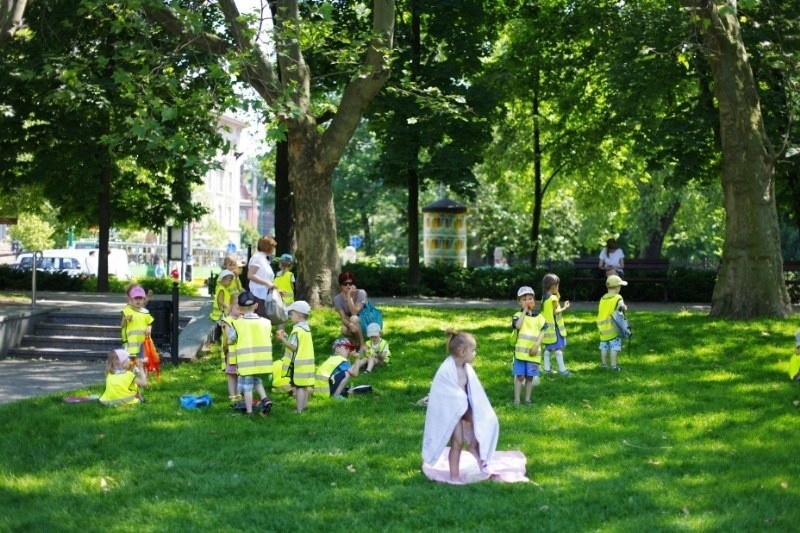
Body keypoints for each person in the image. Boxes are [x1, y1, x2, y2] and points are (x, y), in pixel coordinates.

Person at [422, 328, 499, 484]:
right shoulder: (446, 370)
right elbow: (445, 395)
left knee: (486, 421)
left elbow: (474, 393)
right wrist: (461, 404)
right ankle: (454, 476)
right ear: (462, 351)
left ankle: (474, 448)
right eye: (473, 350)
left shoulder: (466, 369)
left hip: (463, 406)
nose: (475, 354)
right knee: (457, 442)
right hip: (451, 410)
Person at [221, 291, 274, 416]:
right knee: (257, 380)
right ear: (256, 306)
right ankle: (265, 399)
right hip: (262, 360)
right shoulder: (266, 322)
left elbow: (231, 339)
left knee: (248, 386)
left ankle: (249, 412)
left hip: (246, 361)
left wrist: (228, 342)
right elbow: (269, 336)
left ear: (239, 307)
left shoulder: (238, 324)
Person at [275, 300, 315, 413]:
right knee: (304, 386)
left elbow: (293, 346)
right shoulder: (306, 329)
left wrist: (282, 339)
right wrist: (287, 337)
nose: (290, 317)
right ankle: (305, 406)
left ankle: (299, 409)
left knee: (299, 387)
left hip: (298, 364)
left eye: (291, 314)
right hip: (306, 364)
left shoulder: (297, 330)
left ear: (298, 314)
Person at [512, 286, 547, 405]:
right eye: (524, 299)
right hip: (521, 353)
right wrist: (524, 312)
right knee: (520, 376)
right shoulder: (517, 315)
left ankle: (527, 399)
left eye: (530, 298)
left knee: (530, 377)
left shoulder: (540, 317)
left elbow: (543, 331)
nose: (527, 301)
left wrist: (536, 345)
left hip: (533, 353)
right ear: (519, 302)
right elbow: (518, 326)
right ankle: (517, 399)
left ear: (534, 300)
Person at [540, 273, 571, 377]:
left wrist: (557, 296)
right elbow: (555, 312)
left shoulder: (544, 298)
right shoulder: (552, 298)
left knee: (548, 348)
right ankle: (562, 370)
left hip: (547, 328)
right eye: (557, 285)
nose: (558, 287)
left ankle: (547, 369)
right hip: (555, 328)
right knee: (558, 349)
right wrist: (565, 307)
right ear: (553, 286)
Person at [596, 275, 628, 371]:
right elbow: (622, 306)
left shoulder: (603, 297)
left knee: (604, 346)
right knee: (614, 347)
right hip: (613, 327)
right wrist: (624, 307)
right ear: (617, 287)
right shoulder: (618, 297)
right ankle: (614, 366)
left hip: (602, 327)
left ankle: (604, 365)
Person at [333, 271, 367, 350]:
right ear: (341, 285)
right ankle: (356, 343)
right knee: (344, 329)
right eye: (345, 283)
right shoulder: (337, 299)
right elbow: (343, 318)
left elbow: (354, 312)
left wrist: (349, 296)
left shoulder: (361, 293)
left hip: (367, 322)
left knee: (353, 318)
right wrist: (349, 325)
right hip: (353, 323)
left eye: (350, 283)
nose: (348, 285)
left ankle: (362, 345)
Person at [120, 285, 154, 362]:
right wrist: (125, 319)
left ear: (143, 299)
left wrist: (149, 327)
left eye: (140, 298)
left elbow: (149, 322)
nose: (138, 301)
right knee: (130, 360)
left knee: (142, 359)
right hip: (130, 341)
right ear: (131, 299)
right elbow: (122, 325)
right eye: (136, 298)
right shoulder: (127, 311)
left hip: (142, 340)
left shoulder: (145, 312)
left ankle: (141, 371)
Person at [247, 235, 278, 319]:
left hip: (264, 295)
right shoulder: (257, 258)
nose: (274, 249)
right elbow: (251, 275)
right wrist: (267, 283)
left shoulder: (263, 259)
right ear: (268, 247)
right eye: (273, 246)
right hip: (257, 295)